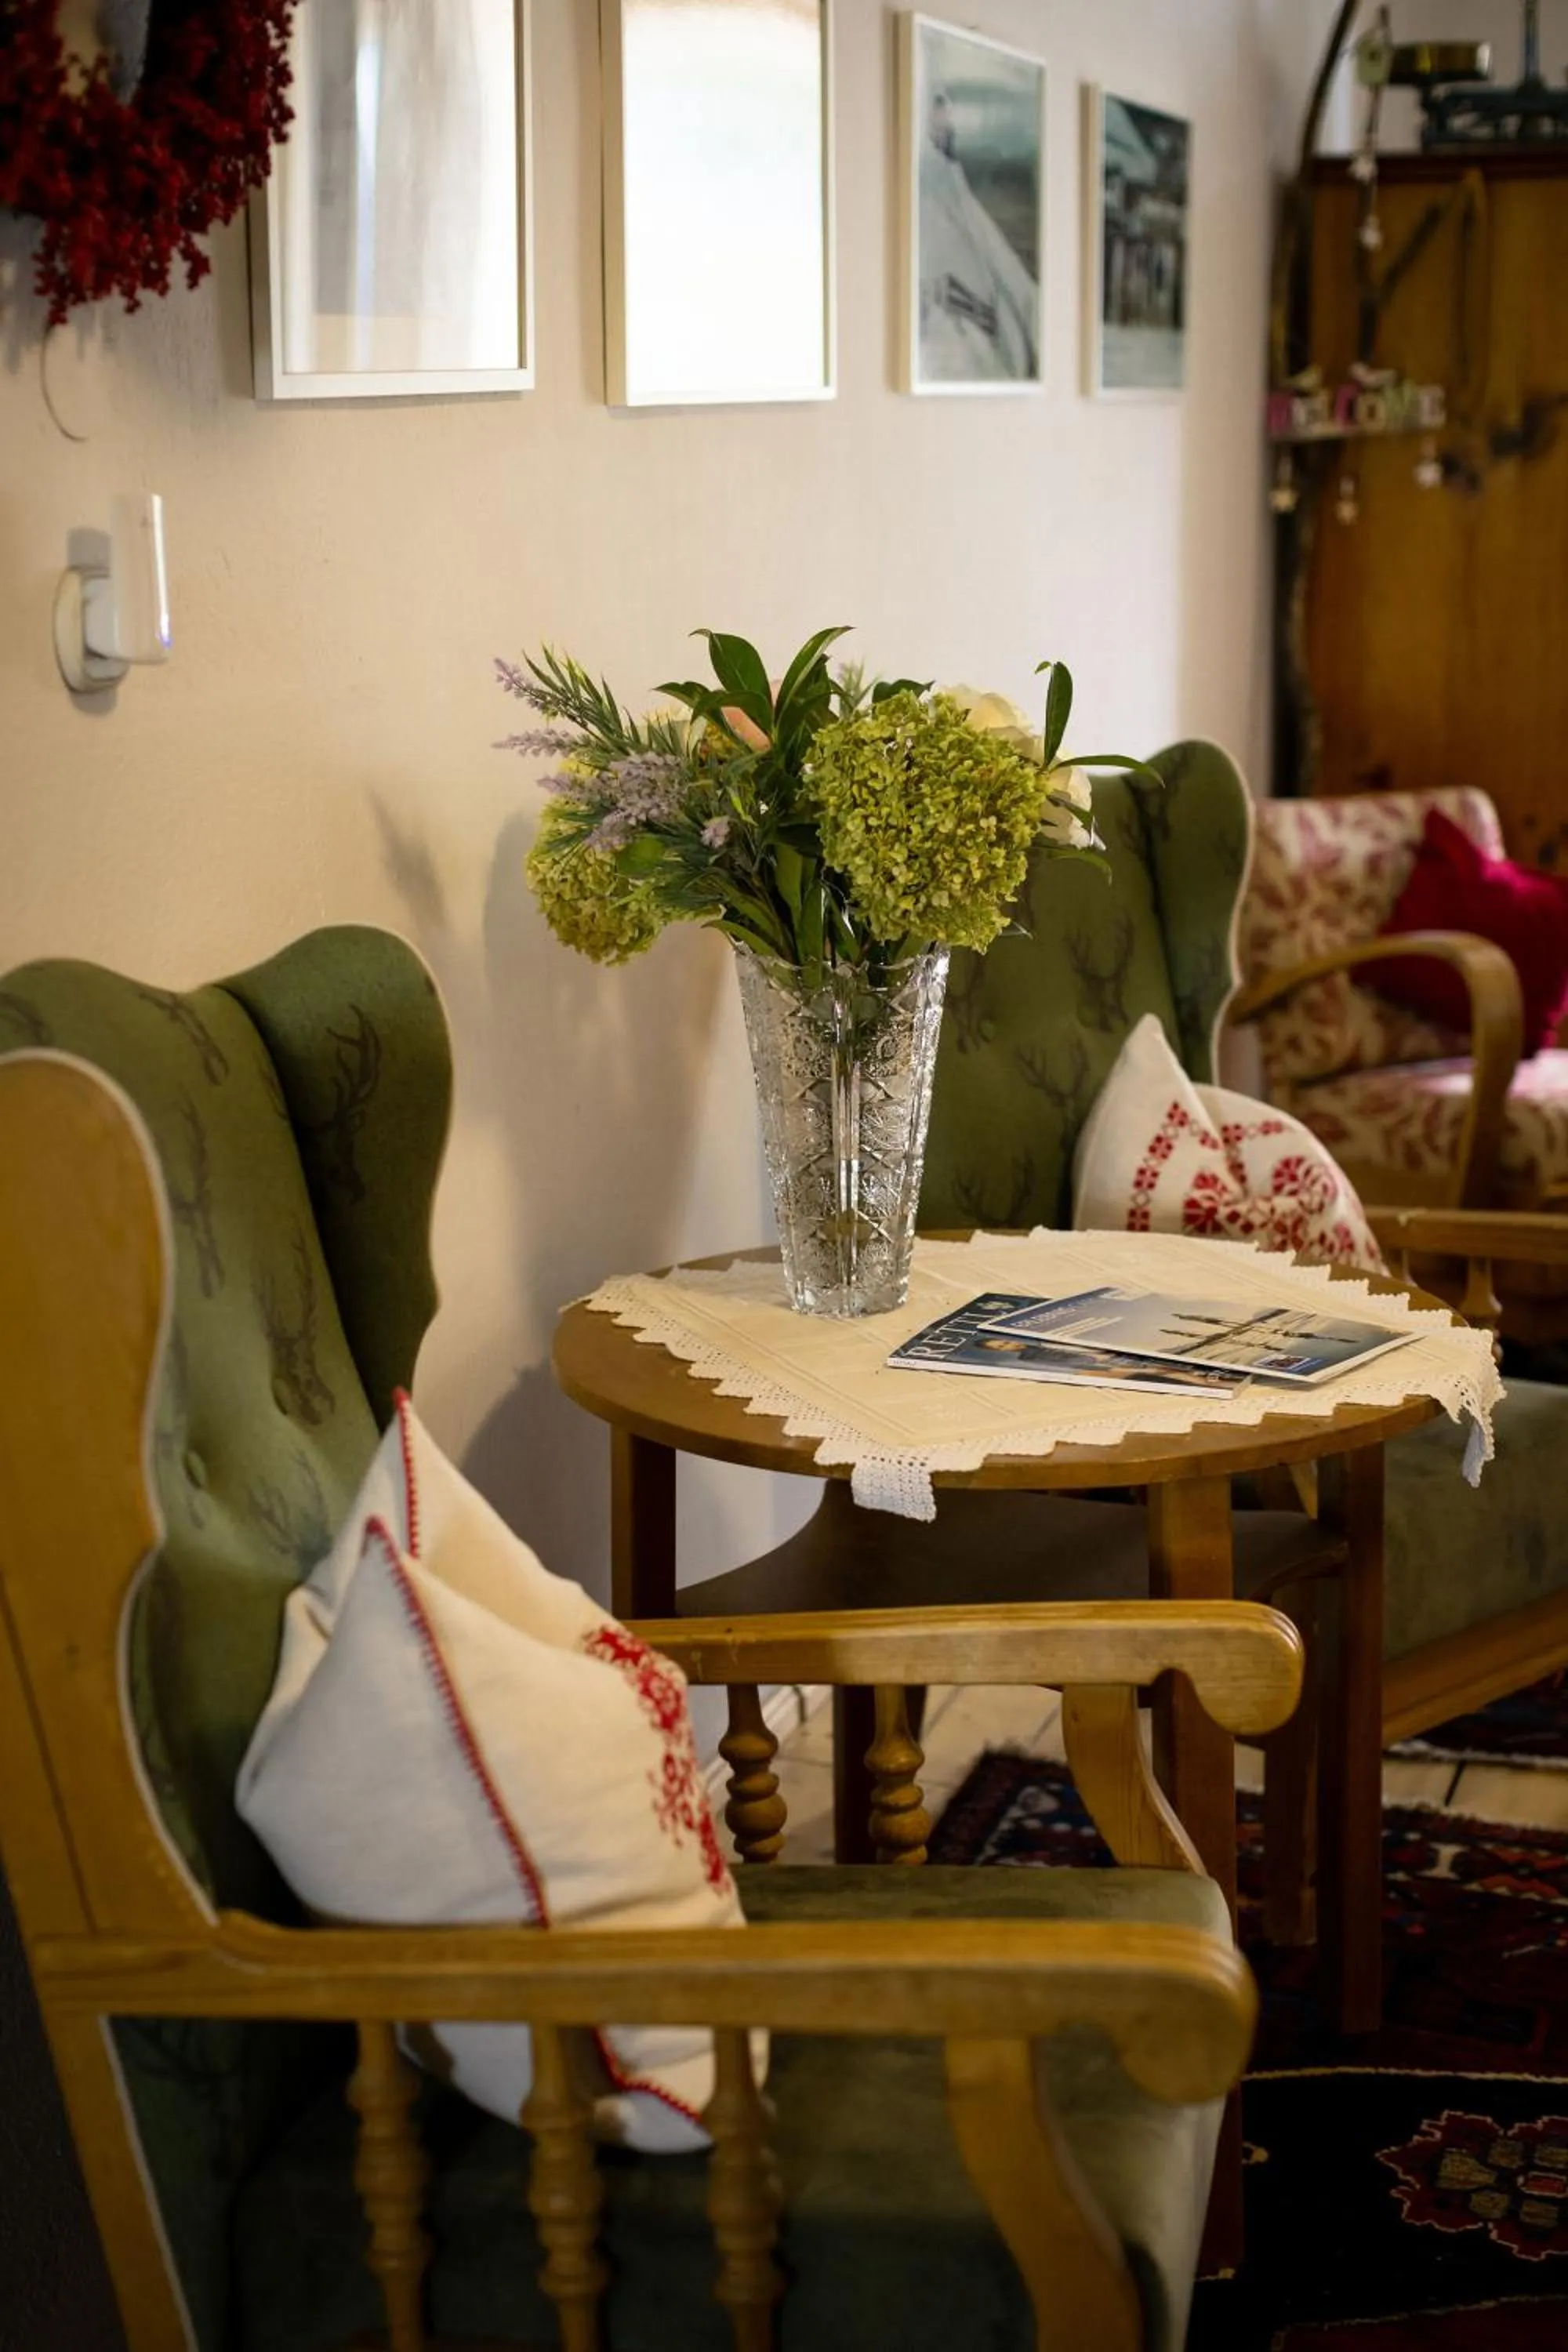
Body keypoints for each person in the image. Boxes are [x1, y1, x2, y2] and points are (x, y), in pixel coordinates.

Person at [918, 85, 1037, 382]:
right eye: (938, 123)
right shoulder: (929, 190)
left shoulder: (955, 192)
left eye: (947, 128)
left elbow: (1011, 277)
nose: (946, 132)